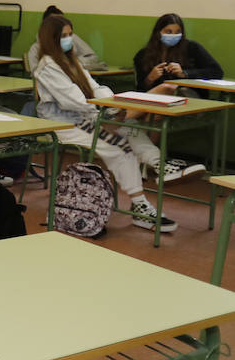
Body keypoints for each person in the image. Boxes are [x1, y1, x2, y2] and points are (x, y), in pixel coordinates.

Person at [35, 15, 199, 232]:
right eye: (62, 36)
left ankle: (160, 165)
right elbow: (74, 99)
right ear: (50, 39)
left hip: (88, 116)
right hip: (65, 125)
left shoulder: (71, 61)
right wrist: (109, 108)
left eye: (69, 34)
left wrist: (111, 106)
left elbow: (96, 88)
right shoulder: (48, 67)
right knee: (118, 145)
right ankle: (140, 202)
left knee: (130, 127)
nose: (68, 39)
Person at [133, 12, 224, 92]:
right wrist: (150, 79)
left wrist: (185, 73)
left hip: (187, 94)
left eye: (177, 32)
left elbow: (216, 71)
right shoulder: (143, 55)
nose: (173, 35)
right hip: (154, 97)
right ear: (158, 32)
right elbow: (140, 89)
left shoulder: (192, 48)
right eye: (168, 32)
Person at [26, 5, 106, 72]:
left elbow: (92, 57)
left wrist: (75, 62)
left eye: (63, 21)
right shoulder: (35, 49)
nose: (60, 25)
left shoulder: (72, 38)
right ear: (46, 26)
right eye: (55, 23)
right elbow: (37, 75)